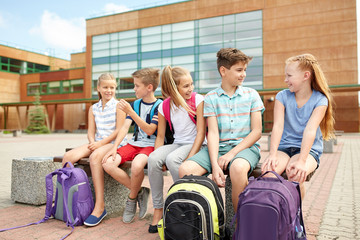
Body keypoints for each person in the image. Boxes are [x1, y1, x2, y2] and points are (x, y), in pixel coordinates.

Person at [179, 48, 265, 212]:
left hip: (245, 148)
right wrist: (215, 165)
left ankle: (240, 224)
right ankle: (212, 216)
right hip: (218, 149)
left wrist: (231, 154)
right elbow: (212, 133)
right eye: (239, 70)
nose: (243, 74)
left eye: (244, 70)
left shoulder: (252, 95)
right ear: (223, 71)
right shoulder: (210, 98)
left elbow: (257, 132)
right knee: (185, 170)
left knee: (238, 169)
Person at [261, 53, 335, 198]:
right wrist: (272, 154)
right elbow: (278, 126)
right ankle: (276, 213)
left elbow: (310, 130)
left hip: (308, 151)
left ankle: (295, 216)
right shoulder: (282, 96)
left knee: (294, 174)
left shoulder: (320, 100)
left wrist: (301, 160)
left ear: (305, 76)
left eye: (289, 76)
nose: (285, 80)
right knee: (268, 174)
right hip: (284, 148)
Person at [147, 66, 206, 233]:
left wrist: (191, 157)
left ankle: (184, 205)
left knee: (173, 160)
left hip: (197, 143)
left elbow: (201, 133)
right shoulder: (164, 106)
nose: (191, 89)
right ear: (174, 88)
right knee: (152, 158)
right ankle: (159, 208)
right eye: (186, 86)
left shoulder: (198, 100)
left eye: (191, 84)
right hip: (178, 144)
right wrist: (157, 156)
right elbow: (160, 136)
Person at [101, 68, 161, 224]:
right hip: (133, 144)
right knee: (108, 164)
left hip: (150, 145)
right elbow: (124, 128)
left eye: (136, 86)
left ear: (149, 87)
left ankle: (131, 199)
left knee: (137, 166)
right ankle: (140, 191)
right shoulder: (135, 104)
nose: (134, 89)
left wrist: (131, 112)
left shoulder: (159, 106)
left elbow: (150, 129)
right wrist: (114, 148)